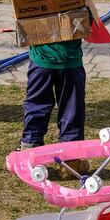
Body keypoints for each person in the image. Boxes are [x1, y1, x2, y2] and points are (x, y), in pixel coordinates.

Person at [19, 39, 89, 177]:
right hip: (70, 61)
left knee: (36, 106)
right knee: (72, 110)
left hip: (41, 62)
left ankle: (30, 151)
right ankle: (71, 162)